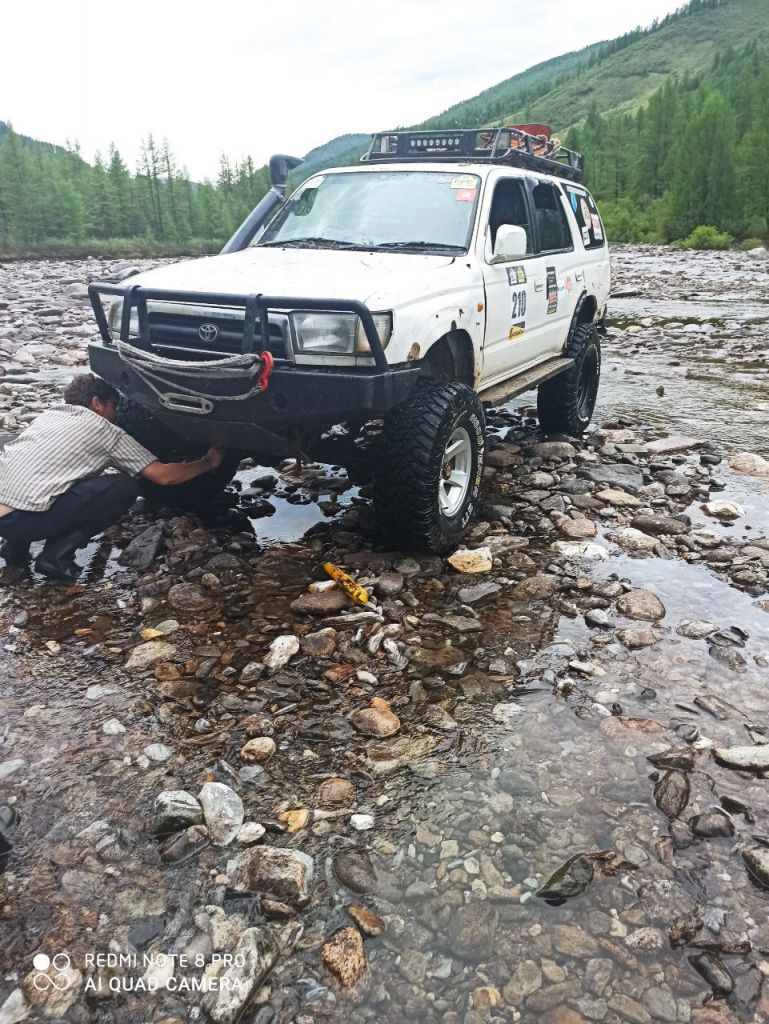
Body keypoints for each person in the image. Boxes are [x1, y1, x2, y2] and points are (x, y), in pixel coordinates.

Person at [0, 373, 225, 581]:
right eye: (113, 406)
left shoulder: (49, 416)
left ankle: (14, 550)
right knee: (124, 485)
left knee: (44, 479)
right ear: (97, 403)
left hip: (5, 516)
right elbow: (163, 476)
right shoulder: (106, 431)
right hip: (21, 521)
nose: (116, 415)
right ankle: (55, 557)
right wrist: (208, 462)